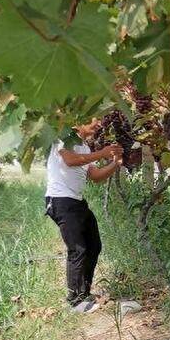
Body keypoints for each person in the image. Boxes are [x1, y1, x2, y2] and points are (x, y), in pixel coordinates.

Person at [45, 120, 122, 313]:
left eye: (99, 121)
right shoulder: (63, 138)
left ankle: (84, 293)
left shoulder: (85, 148)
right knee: (77, 249)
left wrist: (115, 163)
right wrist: (102, 153)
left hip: (76, 202)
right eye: (93, 120)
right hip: (60, 200)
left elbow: (95, 176)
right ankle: (74, 301)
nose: (98, 124)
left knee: (93, 245)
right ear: (77, 121)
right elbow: (70, 160)